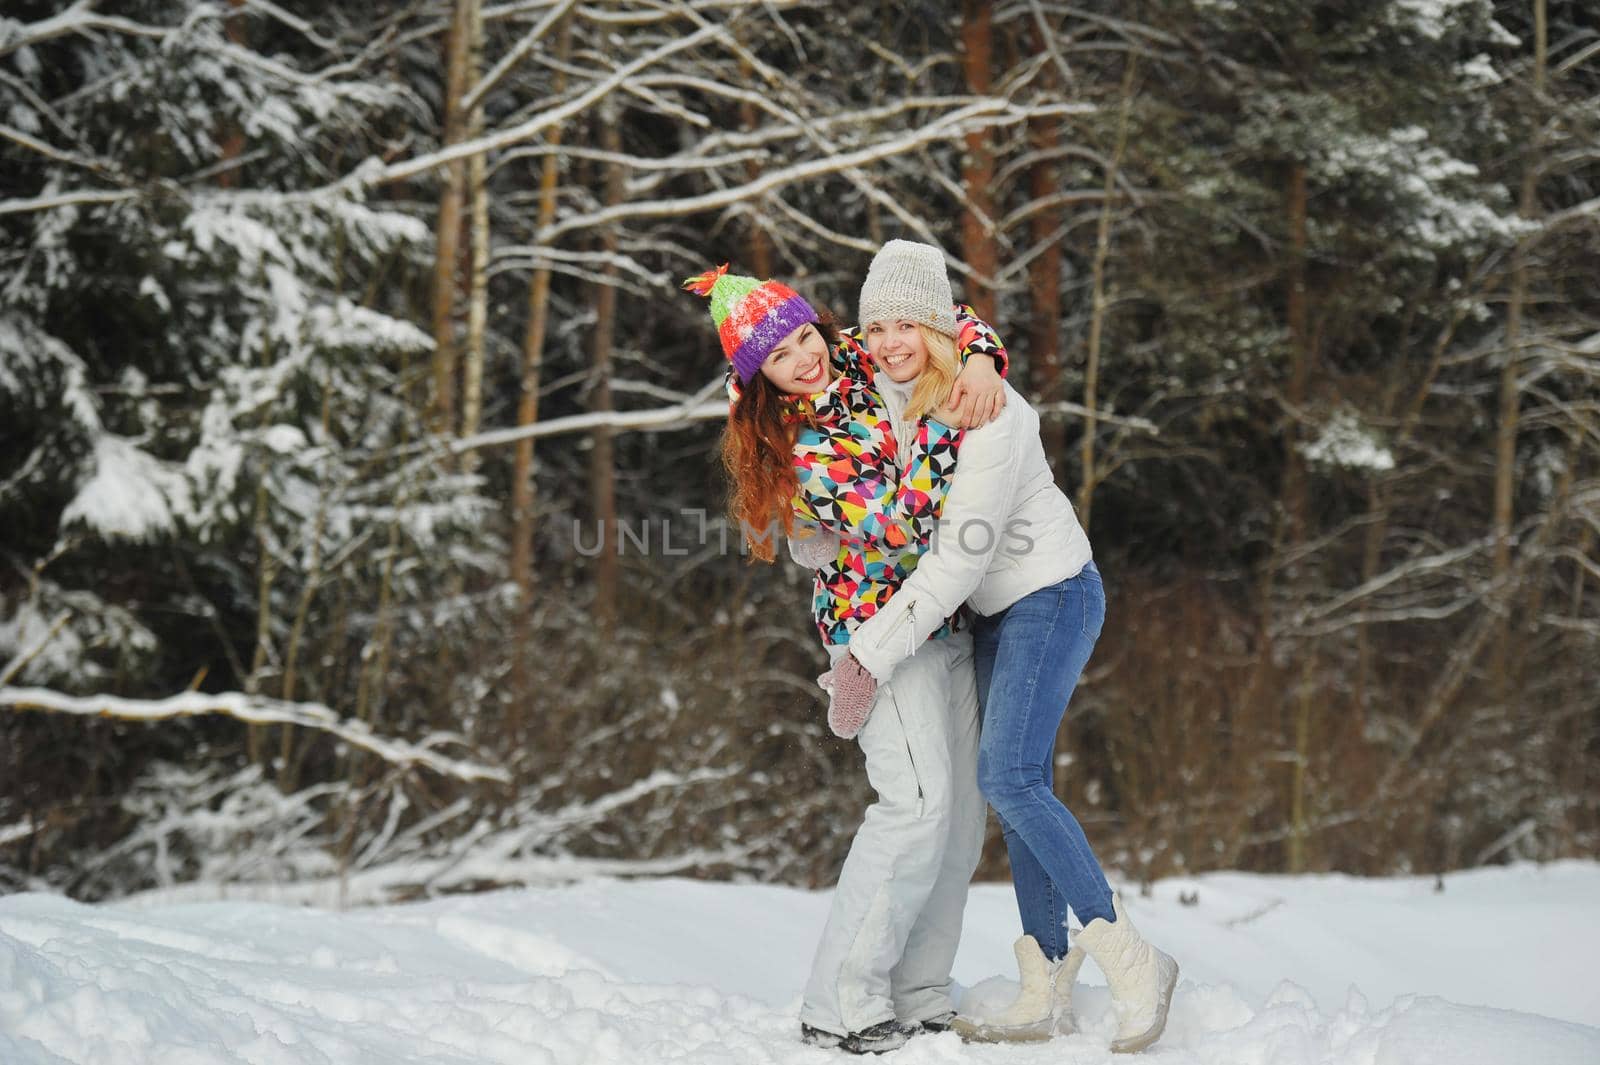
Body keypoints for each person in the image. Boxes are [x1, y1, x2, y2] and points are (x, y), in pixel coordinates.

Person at [828, 240, 1181, 1053]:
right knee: (1022, 785)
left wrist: (868, 654)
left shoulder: (993, 412)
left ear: (939, 327)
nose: (887, 341)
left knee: (1008, 774)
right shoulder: (889, 386)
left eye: (906, 323)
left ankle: (1131, 955)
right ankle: (1045, 974)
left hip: (1049, 594)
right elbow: (804, 370)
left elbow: (957, 558)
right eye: (875, 325)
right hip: (988, 614)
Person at [684, 263, 1005, 1054]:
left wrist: (976, 360)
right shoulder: (798, 445)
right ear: (757, 378)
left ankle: (921, 990)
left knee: (961, 820)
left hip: (947, 614)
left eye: (806, 335)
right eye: (783, 355)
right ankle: (840, 999)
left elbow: (945, 318)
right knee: (915, 803)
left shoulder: (857, 352)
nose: (807, 356)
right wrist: (942, 420)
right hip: (874, 633)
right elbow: (898, 526)